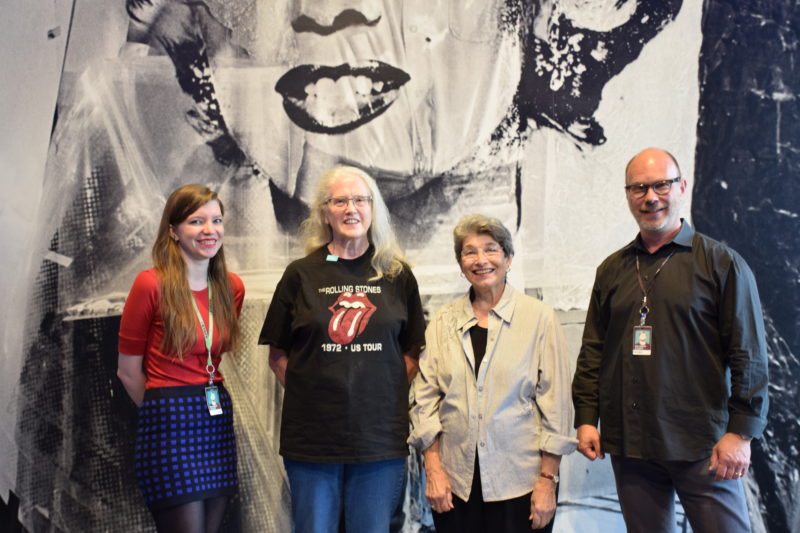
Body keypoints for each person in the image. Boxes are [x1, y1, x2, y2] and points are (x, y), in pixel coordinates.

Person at [572, 148, 770, 532]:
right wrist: (586, 417)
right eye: (639, 188)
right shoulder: (612, 269)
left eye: (661, 184)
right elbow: (593, 350)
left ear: (681, 186)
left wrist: (741, 433)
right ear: (627, 194)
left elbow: (749, 355)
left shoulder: (721, 264)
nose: (651, 197)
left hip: (705, 446)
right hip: (632, 446)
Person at [258, 165, 426, 533]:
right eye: (340, 201)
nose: (351, 208)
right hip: (313, 441)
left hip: (379, 439)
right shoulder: (300, 275)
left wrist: (381, 392)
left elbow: (412, 352)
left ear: (373, 209)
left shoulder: (397, 275)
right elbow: (277, 355)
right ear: (324, 212)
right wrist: (314, 394)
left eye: (360, 200)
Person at [409, 214, 576, 533]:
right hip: (454, 483)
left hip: (521, 484)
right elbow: (424, 399)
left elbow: (555, 407)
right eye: (469, 252)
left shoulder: (539, 318)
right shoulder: (443, 321)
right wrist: (434, 470)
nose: (480, 260)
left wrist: (547, 481)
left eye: (491, 249)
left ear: (508, 258)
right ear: (460, 264)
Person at [117, 184, 245, 533]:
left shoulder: (231, 287)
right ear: (173, 231)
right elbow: (128, 372)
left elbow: (215, 353)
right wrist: (163, 409)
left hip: (215, 415)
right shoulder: (150, 284)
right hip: (169, 420)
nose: (209, 230)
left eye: (216, 220)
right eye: (196, 221)